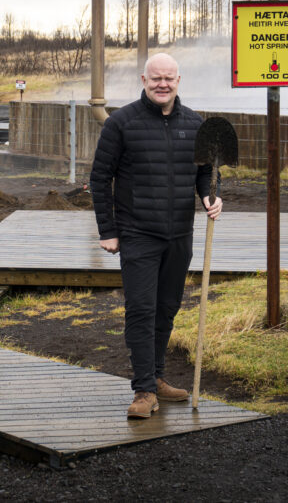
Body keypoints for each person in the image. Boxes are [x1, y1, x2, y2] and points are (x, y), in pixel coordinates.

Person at [90, 52, 222, 419]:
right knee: (141, 310)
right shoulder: (121, 123)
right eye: (156, 78)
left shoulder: (195, 124)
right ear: (144, 81)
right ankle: (144, 390)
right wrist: (108, 230)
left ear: (178, 80)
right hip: (138, 233)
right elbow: (100, 178)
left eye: (169, 78)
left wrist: (210, 196)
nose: (162, 84)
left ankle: (157, 376)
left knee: (166, 308)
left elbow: (205, 173)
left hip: (179, 234)